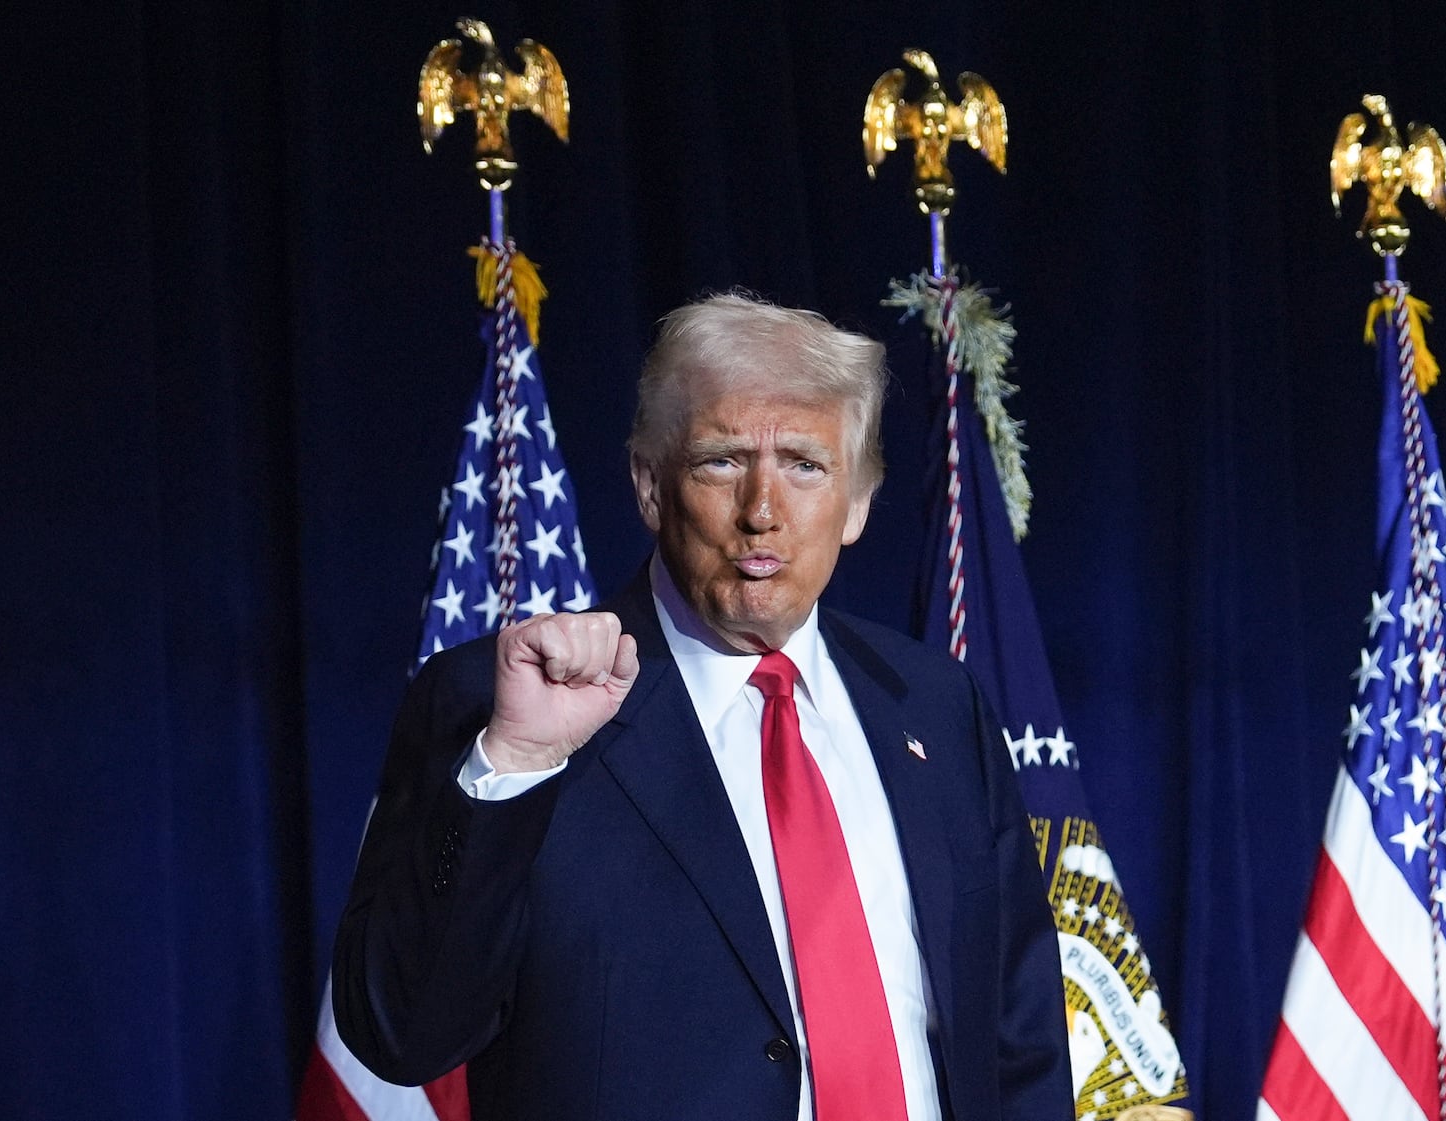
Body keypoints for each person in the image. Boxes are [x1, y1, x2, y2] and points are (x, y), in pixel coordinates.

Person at [333, 293, 1071, 1121]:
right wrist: (513, 765)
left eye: (804, 463)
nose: (763, 511)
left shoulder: (936, 706)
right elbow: (402, 1034)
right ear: (650, 486)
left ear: (858, 502)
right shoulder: (504, 709)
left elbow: (1020, 1037)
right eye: (721, 461)